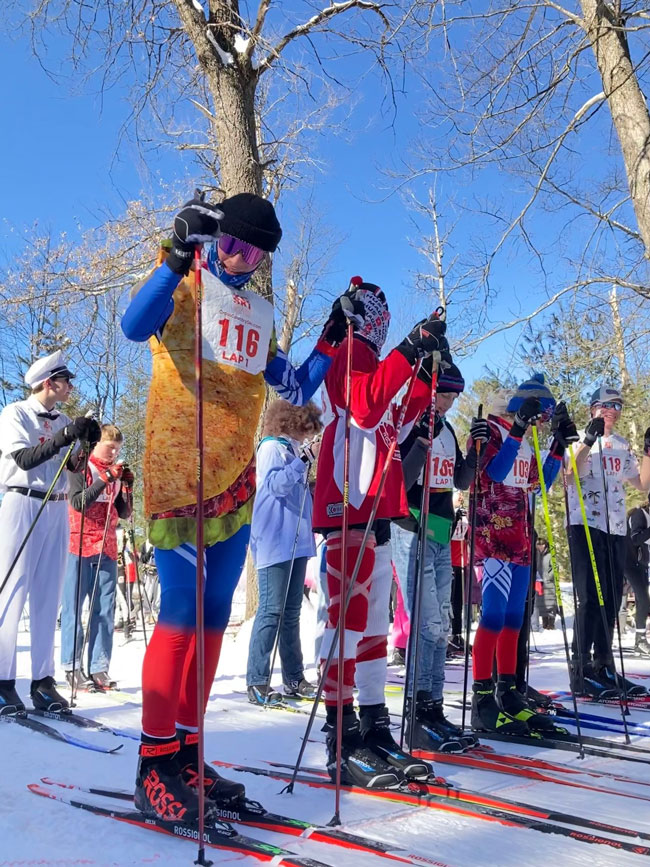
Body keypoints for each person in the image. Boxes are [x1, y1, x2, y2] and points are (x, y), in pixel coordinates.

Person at [121, 192, 363, 823]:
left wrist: (331, 337)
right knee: (179, 611)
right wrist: (177, 254)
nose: (239, 257)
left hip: (234, 480)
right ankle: (154, 765)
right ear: (216, 238)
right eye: (231, 242)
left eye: (254, 252)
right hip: (180, 473)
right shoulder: (185, 282)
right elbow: (133, 324)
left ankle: (189, 754)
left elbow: (295, 384)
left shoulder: (255, 309)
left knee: (212, 617)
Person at [312, 289, 449, 788]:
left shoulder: (376, 356)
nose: (382, 325)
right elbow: (367, 409)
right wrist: (410, 350)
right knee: (346, 619)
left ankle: (373, 722)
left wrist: (429, 368)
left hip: (379, 500)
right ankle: (340, 730)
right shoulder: (348, 350)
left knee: (373, 624)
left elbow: (400, 413)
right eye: (380, 317)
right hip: (346, 498)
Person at [470, 376, 576, 734]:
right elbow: (494, 471)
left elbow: (538, 483)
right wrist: (516, 429)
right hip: (492, 534)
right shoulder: (492, 431)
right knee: (495, 615)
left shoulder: (528, 440)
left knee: (516, 616)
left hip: (519, 534)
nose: (541, 424)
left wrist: (557, 449)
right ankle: (482, 699)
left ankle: (508, 690)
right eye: (540, 416)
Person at [392, 362, 490, 752]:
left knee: (442, 624)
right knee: (426, 622)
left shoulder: (446, 427)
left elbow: (460, 481)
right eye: (443, 394)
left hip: (440, 527)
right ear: (429, 390)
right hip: (412, 525)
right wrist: (419, 439)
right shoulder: (412, 421)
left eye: (453, 396)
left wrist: (475, 451)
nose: (449, 402)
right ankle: (417, 713)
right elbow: (400, 479)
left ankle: (432, 709)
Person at [0, 350, 101, 714]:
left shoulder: (62, 418)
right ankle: (2, 680)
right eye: (66, 380)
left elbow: (71, 466)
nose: (71, 386)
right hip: (22, 502)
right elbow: (24, 459)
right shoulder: (16, 414)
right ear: (49, 383)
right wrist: (63, 437)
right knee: (13, 589)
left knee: (48, 594)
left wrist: (84, 444)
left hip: (56, 504)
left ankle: (42, 682)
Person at [566, 386, 650, 697]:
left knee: (613, 598)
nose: (612, 410)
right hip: (585, 524)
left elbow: (641, 484)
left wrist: (647, 452)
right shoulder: (576, 437)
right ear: (593, 408)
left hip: (615, 527)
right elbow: (569, 472)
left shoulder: (621, 444)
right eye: (606, 405)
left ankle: (604, 665)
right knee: (589, 598)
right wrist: (588, 439)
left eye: (617, 405)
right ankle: (581, 669)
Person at [246, 399, 323, 704]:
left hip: (297, 540)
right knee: (271, 610)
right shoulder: (271, 448)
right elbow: (276, 485)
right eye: (306, 428)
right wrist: (303, 461)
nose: (308, 435)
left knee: (291, 613)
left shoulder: (292, 450)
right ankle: (256, 680)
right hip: (275, 540)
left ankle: (293, 677)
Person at [60, 424, 134, 691]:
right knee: (74, 607)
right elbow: (78, 502)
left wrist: (127, 487)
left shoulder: (114, 472)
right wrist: (106, 478)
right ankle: (71, 665)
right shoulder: (83, 465)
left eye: (117, 448)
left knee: (105, 609)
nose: (114, 452)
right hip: (79, 543)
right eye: (109, 447)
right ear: (97, 444)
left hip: (107, 545)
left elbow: (124, 513)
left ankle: (99, 667)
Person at [625, 495, 650, 657]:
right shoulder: (639, 514)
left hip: (641, 564)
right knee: (643, 598)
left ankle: (639, 639)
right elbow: (635, 539)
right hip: (629, 561)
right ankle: (640, 640)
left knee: (644, 600)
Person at [449, 491, 470, 653]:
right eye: (458, 494)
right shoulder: (448, 511)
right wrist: (456, 518)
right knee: (449, 601)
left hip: (461, 561)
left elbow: (467, 535)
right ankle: (449, 634)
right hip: (449, 561)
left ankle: (457, 634)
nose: (461, 497)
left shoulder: (464, 514)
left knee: (458, 602)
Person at [533, 538, 556, 630]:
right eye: (538, 545)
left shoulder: (550, 555)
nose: (540, 547)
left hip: (548, 582)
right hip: (539, 581)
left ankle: (551, 622)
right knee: (541, 603)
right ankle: (544, 622)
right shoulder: (536, 555)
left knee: (550, 601)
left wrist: (548, 577)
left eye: (542, 545)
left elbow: (554, 568)